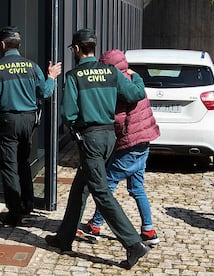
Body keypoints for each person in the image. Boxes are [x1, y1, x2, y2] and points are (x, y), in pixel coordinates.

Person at [45, 29, 149, 270]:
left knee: (101, 192)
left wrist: (75, 126)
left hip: (89, 138)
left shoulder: (74, 76)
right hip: (109, 137)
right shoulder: (112, 72)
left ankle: (133, 243)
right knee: (80, 187)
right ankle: (64, 237)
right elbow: (135, 93)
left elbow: (68, 113)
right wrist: (137, 76)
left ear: (78, 49)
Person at [76, 49, 161, 246]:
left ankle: (95, 226)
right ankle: (149, 230)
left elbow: (117, 116)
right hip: (144, 141)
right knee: (137, 187)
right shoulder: (133, 78)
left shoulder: (115, 83)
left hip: (129, 143)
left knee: (107, 185)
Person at [0, 26, 62, 226]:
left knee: (9, 167)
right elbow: (45, 93)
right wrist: (52, 77)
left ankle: (15, 212)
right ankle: (28, 203)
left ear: (3, 45)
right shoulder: (32, 66)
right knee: (23, 162)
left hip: (7, 120)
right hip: (28, 121)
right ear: (18, 45)